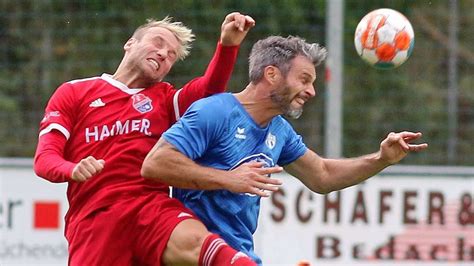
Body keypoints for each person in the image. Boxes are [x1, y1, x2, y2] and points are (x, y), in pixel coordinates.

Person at [141, 35, 429, 264]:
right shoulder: (214, 111)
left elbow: (322, 175)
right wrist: (230, 179)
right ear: (272, 74)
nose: (311, 91)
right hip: (196, 254)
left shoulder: (279, 130)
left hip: (241, 253)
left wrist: (381, 159)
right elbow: (156, 164)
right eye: (304, 80)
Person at [34, 12, 260, 266]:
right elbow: (44, 160)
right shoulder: (74, 92)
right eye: (158, 42)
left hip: (150, 207)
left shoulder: (164, 98)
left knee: (203, 245)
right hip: (95, 218)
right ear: (130, 43)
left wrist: (228, 45)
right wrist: (73, 168)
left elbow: (209, 90)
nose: (164, 54)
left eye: (172, 55)